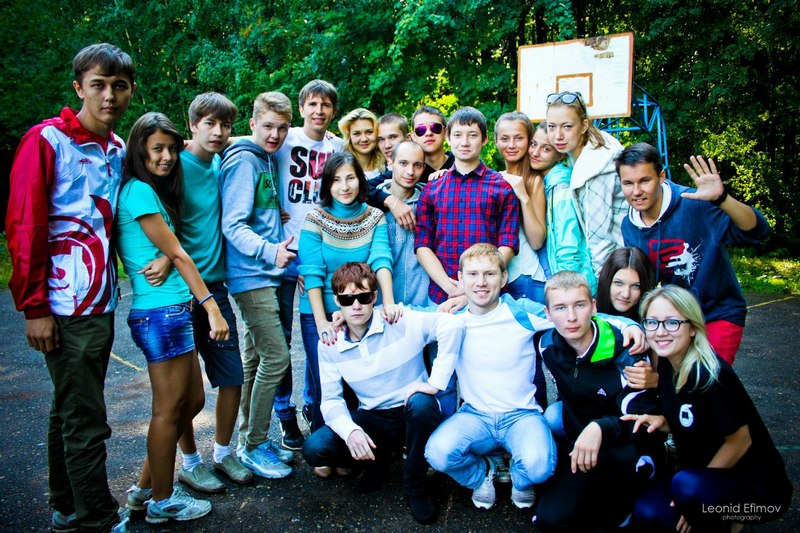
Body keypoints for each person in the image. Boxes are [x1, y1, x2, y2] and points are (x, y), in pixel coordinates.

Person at [6, 42, 134, 533]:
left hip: (100, 302)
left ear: (130, 91)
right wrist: (35, 307)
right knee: (86, 420)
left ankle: (66, 507)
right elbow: (25, 225)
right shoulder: (48, 141)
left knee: (69, 409)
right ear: (79, 87)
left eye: (119, 86)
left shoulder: (117, 149)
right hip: (63, 306)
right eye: (98, 85)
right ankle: (98, 519)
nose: (109, 96)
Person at [117, 112, 229, 524]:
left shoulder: (151, 191)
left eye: (170, 149)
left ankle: (144, 489)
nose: (165, 157)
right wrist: (212, 307)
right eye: (156, 149)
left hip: (173, 311)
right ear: (139, 150)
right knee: (167, 411)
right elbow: (179, 254)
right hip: (159, 313)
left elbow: (169, 249)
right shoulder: (138, 191)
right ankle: (162, 502)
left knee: (192, 401)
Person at [303, 262, 465, 524]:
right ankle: (376, 462)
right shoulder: (330, 343)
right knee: (315, 448)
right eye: (348, 299)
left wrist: (436, 383)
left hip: (410, 411)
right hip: (373, 416)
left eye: (364, 297)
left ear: (375, 296)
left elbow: (452, 326)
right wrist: (350, 431)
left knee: (422, 404)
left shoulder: (397, 319)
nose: (356, 306)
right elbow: (331, 400)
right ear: (337, 301)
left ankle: (415, 483)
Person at [625, 285, 792, 531]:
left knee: (688, 487)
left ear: (693, 328)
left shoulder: (710, 375)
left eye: (672, 322)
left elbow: (740, 441)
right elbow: (696, 419)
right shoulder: (668, 365)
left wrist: (695, 499)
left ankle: (731, 521)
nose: (660, 331)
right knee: (648, 512)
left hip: (764, 495)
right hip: (699, 479)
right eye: (652, 322)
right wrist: (664, 421)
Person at [617, 142, 770, 364]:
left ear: (661, 177)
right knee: (670, 381)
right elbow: (644, 281)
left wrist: (722, 198)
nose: (637, 191)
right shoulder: (629, 226)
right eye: (628, 183)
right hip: (674, 320)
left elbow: (758, 231)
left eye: (645, 180)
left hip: (718, 312)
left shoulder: (695, 204)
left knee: (708, 379)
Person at [533, 271, 657, 531]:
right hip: (581, 444)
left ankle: (642, 476)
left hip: (622, 443)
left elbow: (642, 421)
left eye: (579, 305)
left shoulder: (627, 351)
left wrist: (600, 427)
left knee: (606, 520)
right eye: (560, 308)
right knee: (550, 520)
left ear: (593, 306)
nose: (571, 317)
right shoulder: (547, 345)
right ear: (548, 313)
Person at [297, 151, 399, 458]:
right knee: (325, 385)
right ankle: (323, 449)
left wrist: (388, 302)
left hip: (359, 310)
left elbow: (381, 259)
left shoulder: (374, 216)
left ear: (360, 180)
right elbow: (312, 273)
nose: (344, 186)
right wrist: (322, 323)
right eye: (337, 180)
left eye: (351, 178)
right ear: (327, 184)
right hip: (320, 311)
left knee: (357, 383)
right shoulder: (315, 218)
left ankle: (352, 451)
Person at [220, 91, 297, 479]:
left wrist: (275, 222)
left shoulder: (266, 158)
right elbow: (232, 224)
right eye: (267, 126)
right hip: (251, 275)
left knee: (254, 359)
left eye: (282, 128)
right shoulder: (243, 161)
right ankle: (254, 443)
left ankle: (249, 439)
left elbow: (256, 213)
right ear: (252, 124)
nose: (275, 135)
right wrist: (270, 250)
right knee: (277, 358)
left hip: (266, 273)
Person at [274, 79, 343, 442]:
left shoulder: (338, 147)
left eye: (325, 105)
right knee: (279, 340)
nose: (319, 111)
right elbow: (247, 144)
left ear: (333, 111)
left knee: (319, 334)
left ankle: (312, 403)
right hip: (284, 251)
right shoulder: (284, 139)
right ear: (301, 108)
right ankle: (283, 411)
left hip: (319, 251)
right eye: (312, 104)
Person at [415, 106, 520, 311]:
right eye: (458, 135)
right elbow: (422, 245)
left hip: (486, 295)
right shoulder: (432, 189)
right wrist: (450, 287)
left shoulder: (501, 187)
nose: (464, 142)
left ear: (484, 139)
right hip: (442, 294)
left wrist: (472, 289)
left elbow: (507, 243)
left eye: (472, 135)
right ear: (448, 137)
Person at [545, 91, 626, 274]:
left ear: (584, 126)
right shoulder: (580, 154)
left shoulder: (596, 168)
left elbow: (600, 240)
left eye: (567, 127)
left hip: (619, 266)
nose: (557, 135)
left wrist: (602, 285)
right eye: (551, 127)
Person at [534, 122, 596, 291]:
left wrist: (567, 285)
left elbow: (567, 239)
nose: (535, 152)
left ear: (560, 155)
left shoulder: (560, 184)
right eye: (533, 144)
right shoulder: (547, 181)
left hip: (571, 279)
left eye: (546, 149)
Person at [495, 111, 547, 303]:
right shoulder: (494, 178)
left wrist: (523, 196)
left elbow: (537, 241)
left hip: (526, 279)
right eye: (505, 138)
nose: (511, 145)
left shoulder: (533, 180)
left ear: (528, 141)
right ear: (495, 141)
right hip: (497, 280)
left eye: (519, 138)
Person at [373, 140, 430, 307]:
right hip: (381, 305)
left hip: (423, 305)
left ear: (424, 168)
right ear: (390, 163)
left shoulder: (430, 201)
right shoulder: (371, 203)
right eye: (403, 163)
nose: (410, 171)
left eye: (417, 165)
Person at [596, 247, 656, 321]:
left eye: (636, 286)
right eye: (618, 283)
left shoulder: (653, 322)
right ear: (606, 281)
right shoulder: (590, 314)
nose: (626, 295)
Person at [410, 105, 455, 183]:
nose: (428, 133)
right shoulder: (410, 172)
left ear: (445, 132)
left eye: (435, 128)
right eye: (421, 129)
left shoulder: (461, 163)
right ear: (413, 137)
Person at [339, 108, 384, 179]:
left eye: (369, 132)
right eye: (357, 133)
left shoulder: (388, 164)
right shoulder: (340, 168)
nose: (364, 139)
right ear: (349, 137)